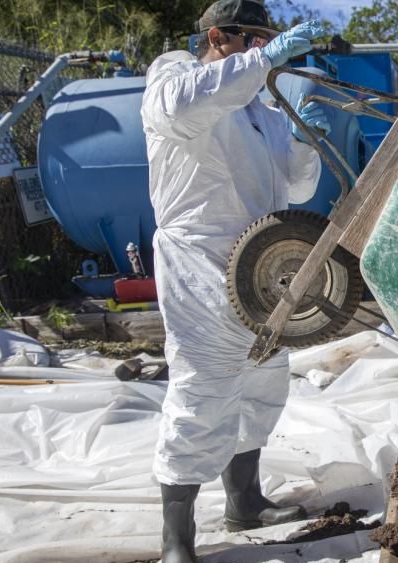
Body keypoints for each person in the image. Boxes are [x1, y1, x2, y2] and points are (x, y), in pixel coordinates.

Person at [140, 1, 331, 561]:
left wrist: (301, 145)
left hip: (260, 262)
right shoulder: (173, 76)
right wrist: (261, 61)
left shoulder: (263, 109)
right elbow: (180, 109)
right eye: (255, 42)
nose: (264, 54)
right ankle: (177, 540)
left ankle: (244, 500)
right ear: (218, 37)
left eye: (270, 44)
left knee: (264, 380)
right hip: (199, 260)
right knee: (203, 389)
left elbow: (294, 190)